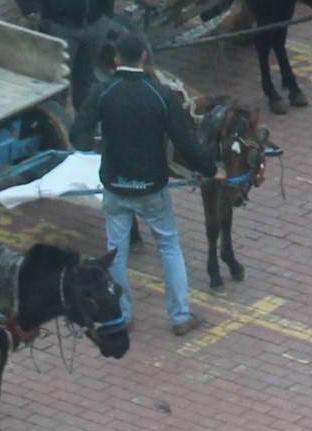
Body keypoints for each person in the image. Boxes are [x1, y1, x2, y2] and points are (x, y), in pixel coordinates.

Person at [80, 27, 219, 338]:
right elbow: (185, 141)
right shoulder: (160, 95)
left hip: (115, 185)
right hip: (151, 187)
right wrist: (211, 170)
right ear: (144, 56)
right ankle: (180, 315)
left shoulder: (103, 92)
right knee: (169, 246)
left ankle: (123, 316)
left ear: (115, 58)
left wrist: (96, 146)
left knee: (115, 251)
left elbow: (80, 133)